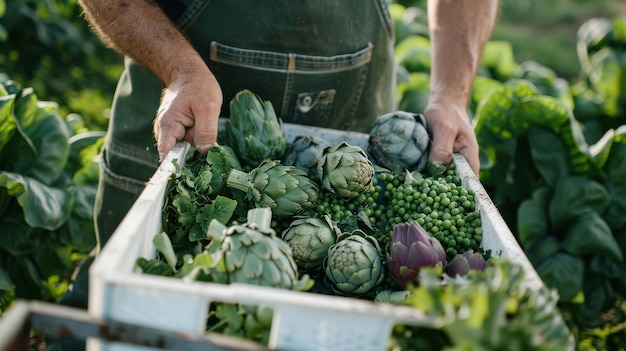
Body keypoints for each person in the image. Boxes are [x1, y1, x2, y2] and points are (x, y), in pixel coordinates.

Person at [61, 0, 498, 310]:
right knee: (118, 306)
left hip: (355, 112)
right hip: (179, 115)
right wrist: (178, 68)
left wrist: (453, 93)